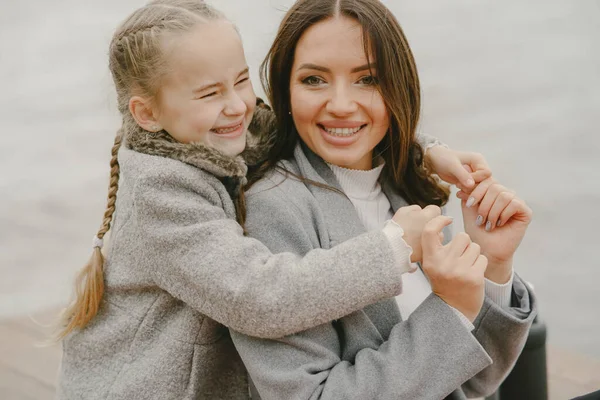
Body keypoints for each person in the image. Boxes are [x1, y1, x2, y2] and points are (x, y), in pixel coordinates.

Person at [56, 1, 496, 399]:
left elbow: (296, 122)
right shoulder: (162, 194)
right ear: (148, 114)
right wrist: (395, 245)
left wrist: (424, 150)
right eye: (211, 93)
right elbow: (261, 297)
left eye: (242, 81)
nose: (237, 107)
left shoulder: (213, 132)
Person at [229, 0, 538, 399]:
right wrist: (451, 309)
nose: (341, 105)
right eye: (314, 80)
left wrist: (493, 266)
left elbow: (471, 382)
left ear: (398, 89)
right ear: (285, 89)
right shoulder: (274, 209)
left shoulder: (407, 186)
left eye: (368, 80)